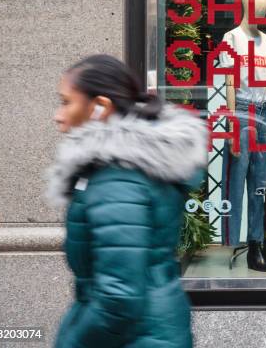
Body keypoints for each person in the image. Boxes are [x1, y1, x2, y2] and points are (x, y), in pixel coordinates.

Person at [45, 54, 207, 347]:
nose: (58, 115)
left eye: (66, 102)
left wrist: (74, 341)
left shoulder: (117, 180)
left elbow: (118, 298)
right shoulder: (124, 170)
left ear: (100, 107)